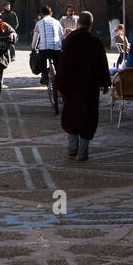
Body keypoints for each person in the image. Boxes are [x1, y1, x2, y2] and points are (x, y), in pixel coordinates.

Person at [58, 11, 111, 161]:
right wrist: (105, 83)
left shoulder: (70, 40)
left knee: (72, 115)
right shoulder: (95, 41)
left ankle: (72, 148)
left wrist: (59, 86)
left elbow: (63, 65)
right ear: (91, 24)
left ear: (78, 23)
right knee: (87, 117)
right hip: (89, 87)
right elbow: (102, 63)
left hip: (71, 86)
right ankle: (82, 152)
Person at [31, 5, 64, 83]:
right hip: (56, 48)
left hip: (44, 49)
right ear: (51, 13)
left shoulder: (39, 23)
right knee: (57, 65)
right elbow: (61, 36)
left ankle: (44, 75)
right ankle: (59, 77)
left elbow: (35, 38)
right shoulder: (57, 22)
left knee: (42, 58)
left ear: (42, 14)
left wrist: (33, 48)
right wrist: (62, 47)